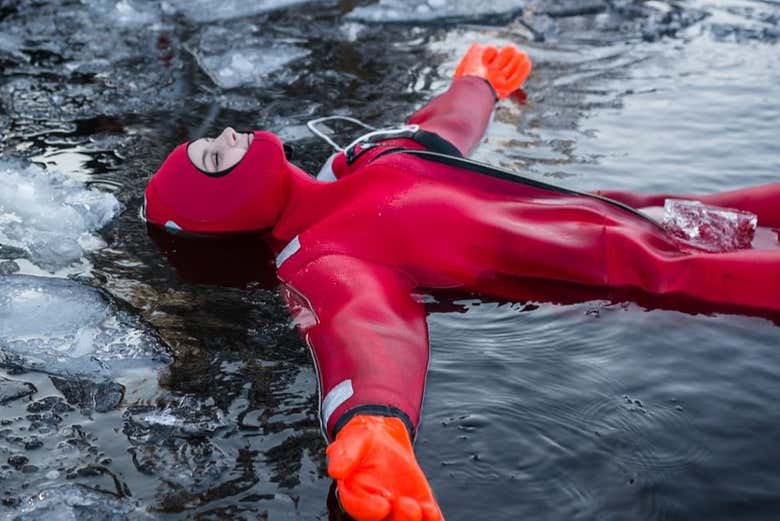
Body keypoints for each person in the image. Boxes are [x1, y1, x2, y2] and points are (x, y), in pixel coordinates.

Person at [144, 43, 780, 521]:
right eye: (215, 158)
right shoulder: (320, 256)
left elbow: (443, 130)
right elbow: (362, 329)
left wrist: (477, 82)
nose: (228, 135)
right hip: (650, 267)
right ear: (221, 212)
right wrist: (373, 422)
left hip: (650, 213)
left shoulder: (358, 160)